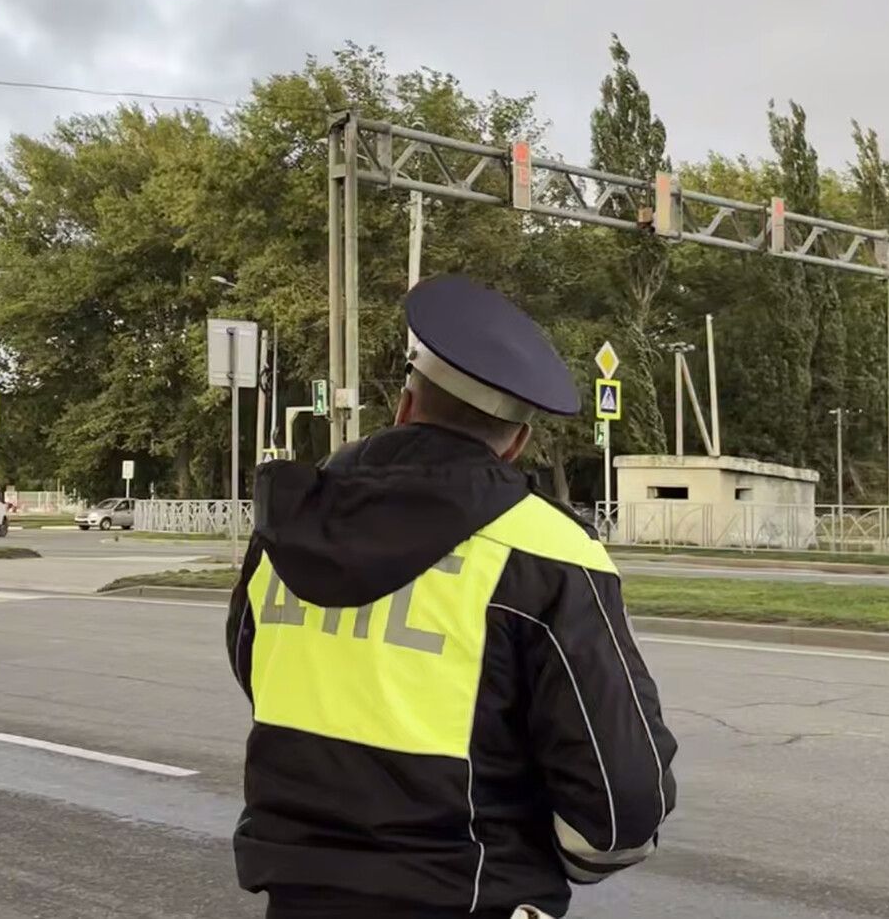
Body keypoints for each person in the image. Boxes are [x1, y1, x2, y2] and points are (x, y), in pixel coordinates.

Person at [227, 274, 678, 919]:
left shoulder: (289, 522)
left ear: (406, 406)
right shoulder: (548, 550)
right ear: (517, 443)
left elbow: (258, 671)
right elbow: (619, 798)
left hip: (298, 892)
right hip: (468, 895)